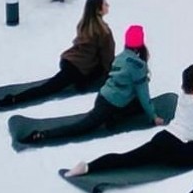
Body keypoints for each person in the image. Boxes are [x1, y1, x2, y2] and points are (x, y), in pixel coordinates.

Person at [64, 61, 193, 179]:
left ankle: (88, 167)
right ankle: (88, 167)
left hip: (163, 138)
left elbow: (190, 122)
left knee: (127, 158)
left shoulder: (184, 96)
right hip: (178, 149)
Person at [21, 24, 161, 145]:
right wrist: (153, 117)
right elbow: (143, 94)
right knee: (81, 127)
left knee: (137, 106)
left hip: (104, 96)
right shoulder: (138, 66)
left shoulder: (120, 57)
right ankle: (42, 135)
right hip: (109, 104)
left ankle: (112, 116)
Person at [0, 0, 114, 109]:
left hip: (68, 60)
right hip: (77, 69)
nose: (108, 6)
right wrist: (110, 74)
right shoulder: (104, 32)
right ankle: (14, 99)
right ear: (98, 10)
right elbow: (107, 58)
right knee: (47, 88)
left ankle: (81, 82)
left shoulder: (84, 24)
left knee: (51, 85)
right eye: (105, 4)